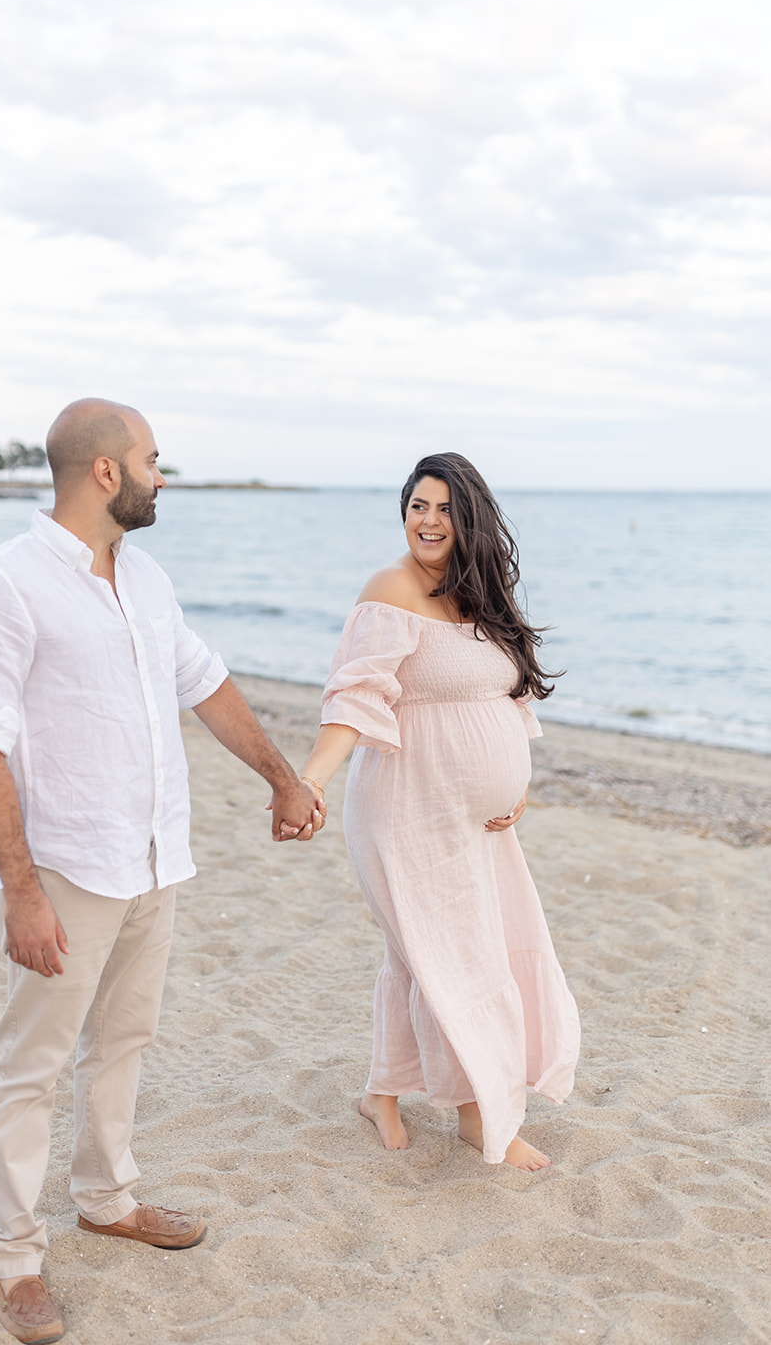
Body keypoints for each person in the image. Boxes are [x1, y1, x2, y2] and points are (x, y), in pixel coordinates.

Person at [0, 398, 322, 1344]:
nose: (163, 475)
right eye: (153, 459)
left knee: (125, 1041)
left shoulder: (146, 577)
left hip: (155, 854)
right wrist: (20, 890)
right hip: (68, 866)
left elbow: (203, 682)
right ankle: (16, 1256)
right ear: (106, 471)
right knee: (30, 1066)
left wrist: (281, 778)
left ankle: (107, 1199)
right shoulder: (7, 584)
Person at [298, 452, 579, 1171]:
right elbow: (354, 695)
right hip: (405, 809)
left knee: (421, 955)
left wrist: (514, 783)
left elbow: (510, 698)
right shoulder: (390, 590)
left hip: (481, 823)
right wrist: (312, 780)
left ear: (470, 518)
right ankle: (479, 1116)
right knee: (457, 960)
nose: (427, 520)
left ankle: (382, 1092)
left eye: (444, 509)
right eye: (417, 505)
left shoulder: (482, 595)